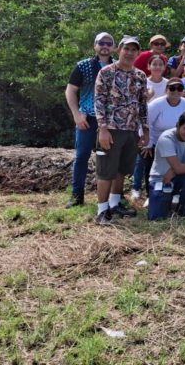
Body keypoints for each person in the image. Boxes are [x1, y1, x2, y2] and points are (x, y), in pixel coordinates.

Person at [93, 35, 149, 224]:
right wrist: (102, 129)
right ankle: (102, 211)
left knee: (121, 170)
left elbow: (142, 105)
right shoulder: (107, 72)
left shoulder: (140, 76)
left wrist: (145, 130)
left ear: (137, 53)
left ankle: (115, 204)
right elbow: (99, 102)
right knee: (105, 170)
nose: (130, 52)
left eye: (134, 49)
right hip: (110, 129)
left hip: (132, 130)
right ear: (119, 50)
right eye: (126, 48)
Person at [64, 31, 114, 207]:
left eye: (109, 44)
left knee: (110, 159)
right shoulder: (83, 66)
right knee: (82, 156)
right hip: (87, 118)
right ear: (95, 45)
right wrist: (76, 114)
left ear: (113, 47)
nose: (105, 47)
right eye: (102, 43)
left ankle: (112, 198)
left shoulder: (117, 67)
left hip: (110, 121)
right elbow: (70, 90)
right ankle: (77, 196)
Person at [132, 77, 185, 201]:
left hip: (177, 141)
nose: (176, 91)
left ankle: (175, 193)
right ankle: (150, 195)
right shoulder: (156, 104)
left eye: (179, 88)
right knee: (150, 164)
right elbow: (145, 123)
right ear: (166, 90)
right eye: (172, 88)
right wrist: (148, 143)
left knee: (177, 166)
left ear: (183, 91)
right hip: (155, 139)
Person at [147, 111, 185, 220]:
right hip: (161, 178)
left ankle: (183, 205)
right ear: (177, 126)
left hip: (180, 175)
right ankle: (163, 199)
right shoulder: (166, 138)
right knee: (157, 218)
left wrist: (174, 170)